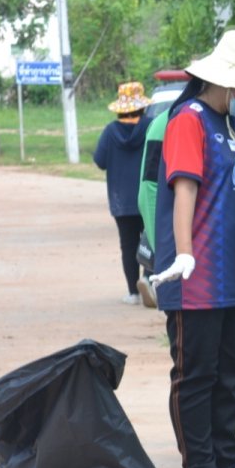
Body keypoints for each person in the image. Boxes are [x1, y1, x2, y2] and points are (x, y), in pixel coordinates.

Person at [148, 26, 235, 468]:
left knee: (229, 374)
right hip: (196, 278)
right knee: (196, 375)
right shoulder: (190, 121)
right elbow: (184, 190)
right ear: (227, 81)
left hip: (234, 277)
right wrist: (183, 253)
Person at [93, 81, 152, 304]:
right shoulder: (150, 126)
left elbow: (100, 161)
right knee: (151, 240)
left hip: (121, 201)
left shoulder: (110, 131)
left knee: (128, 245)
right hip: (147, 197)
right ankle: (148, 280)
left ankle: (133, 293)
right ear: (142, 106)